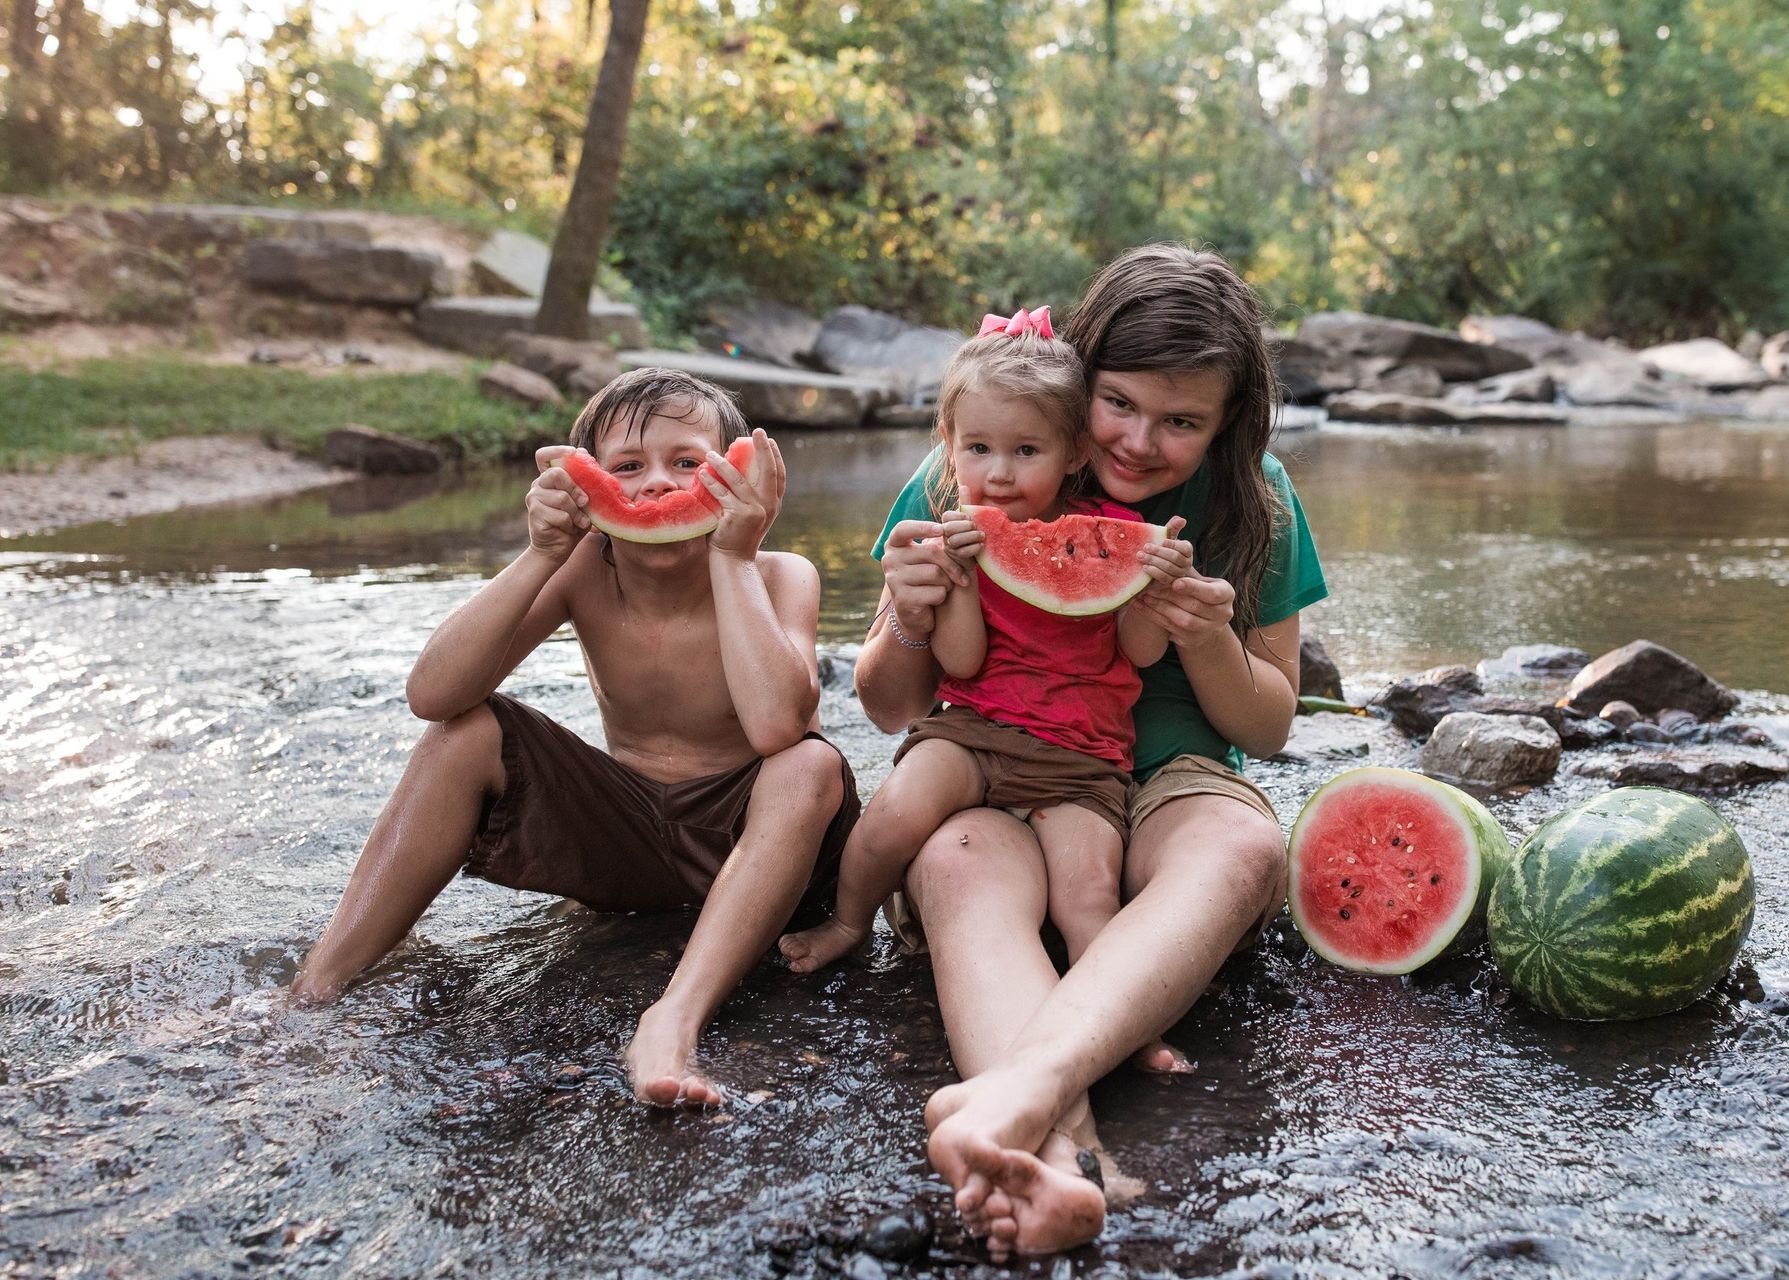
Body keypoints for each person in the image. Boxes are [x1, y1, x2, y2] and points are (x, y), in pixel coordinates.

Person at [856, 247, 1328, 1257]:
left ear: (1228, 423)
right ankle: (1071, 1162)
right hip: (996, 759)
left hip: (1166, 780)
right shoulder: (983, 455)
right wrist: (908, 610)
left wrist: (1205, 635)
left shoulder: (1261, 497)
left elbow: (1271, 726)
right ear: (1076, 383)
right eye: (1117, 404)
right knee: (950, 858)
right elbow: (890, 709)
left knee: (1245, 851)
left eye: (1183, 422)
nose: (1141, 443)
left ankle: (1015, 1094)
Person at [290, 368, 859, 1109]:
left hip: (755, 845)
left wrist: (732, 556)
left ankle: (671, 1022)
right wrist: (539, 553)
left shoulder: (780, 573)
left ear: (737, 476)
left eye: (688, 463)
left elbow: (778, 724)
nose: (657, 485)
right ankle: (316, 988)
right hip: (624, 843)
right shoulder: (582, 570)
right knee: (464, 732)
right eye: (626, 468)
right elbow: (432, 695)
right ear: (587, 485)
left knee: (808, 764)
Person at [777, 306, 1194, 976]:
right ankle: (848, 922)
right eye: (979, 449)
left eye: (1026, 451)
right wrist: (963, 577)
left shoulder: (1114, 530)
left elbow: (1141, 652)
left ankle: (1121, 1018)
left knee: (1087, 897)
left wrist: (1149, 589)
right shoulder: (953, 535)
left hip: (1083, 758)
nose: (999, 473)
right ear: (948, 443)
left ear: (1075, 452)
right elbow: (962, 662)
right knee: (893, 813)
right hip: (974, 732)